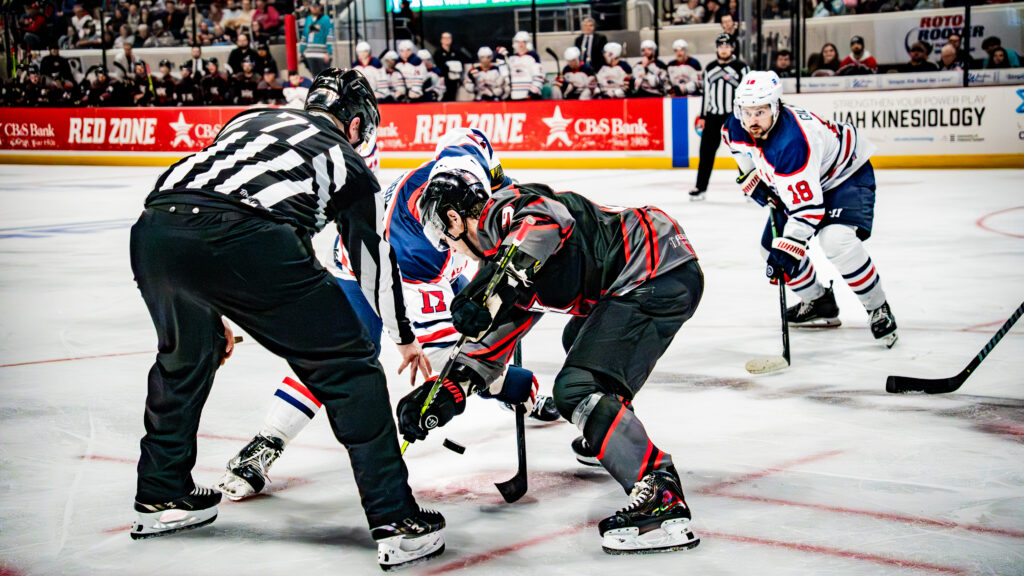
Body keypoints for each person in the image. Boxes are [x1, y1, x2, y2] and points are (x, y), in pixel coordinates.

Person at [127, 68, 444, 571]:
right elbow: (371, 262)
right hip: (245, 236)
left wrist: (209, 311)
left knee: (185, 358)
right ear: (357, 124)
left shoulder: (250, 119)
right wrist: (402, 337)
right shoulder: (349, 161)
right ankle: (396, 521)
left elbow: (206, 195)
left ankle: (161, 494)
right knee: (350, 367)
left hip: (156, 228)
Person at [216, 128, 559, 502]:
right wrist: (506, 377)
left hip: (440, 266)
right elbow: (447, 359)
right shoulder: (419, 253)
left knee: (485, 333)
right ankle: (267, 441)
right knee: (335, 358)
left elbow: (474, 157)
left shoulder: (466, 159)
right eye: (445, 237)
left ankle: (520, 390)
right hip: (369, 273)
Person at [399, 153, 704, 555]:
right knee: (577, 341)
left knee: (576, 388)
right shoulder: (502, 258)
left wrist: (487, 288)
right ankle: (613, 436)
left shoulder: (502, 212)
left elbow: (548, 220)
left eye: (447, 241)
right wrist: (447, 391)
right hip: (648, 271)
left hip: (653, 268)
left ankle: (658, 492)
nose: (455, 252)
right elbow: (491, 342)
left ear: (454, 220)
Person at [722, 71, 898, 347]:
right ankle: (819, 303)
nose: (752, 120)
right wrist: (751, 179)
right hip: (800, 181)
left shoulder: (792, 142)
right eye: (747, 112)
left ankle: (878, 307)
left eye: (760, 111)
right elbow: (740, 152)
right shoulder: (735, 126)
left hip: (843, 176)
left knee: (835, 240)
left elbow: (808, 210)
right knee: (770, 249)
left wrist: (789, 248)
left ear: (776, 106)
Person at [691, 33, 748, 201]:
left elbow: (745, 92)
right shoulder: (709, 68)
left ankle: (750, 189)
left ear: (732, 48)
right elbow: (706, 94)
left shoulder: (741, 67)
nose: (724, 50)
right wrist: (703, 115)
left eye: (727, 46)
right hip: (713, 117)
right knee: (706, 153)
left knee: (743, 153)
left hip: (735, 117)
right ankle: (700, 188)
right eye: (721, 46)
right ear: (717, 48)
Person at [503, 31, 543, 101]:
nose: (521, 45)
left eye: (523, 42)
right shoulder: (511, 58)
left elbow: (539, 77)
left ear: (527, 43)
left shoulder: (533, 56)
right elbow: (506, 76)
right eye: (518, 42)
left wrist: (532, 92)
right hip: (514, 96)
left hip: (529, 97)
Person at [300, 2, 334, 76]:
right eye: (312, 7)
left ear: (320, 7)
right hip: (310, 54)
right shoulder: (308, 19)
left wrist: (328, 52)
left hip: (322, 54)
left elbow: (330, 36)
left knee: (324, 76)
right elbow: (304, 36)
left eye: (316, 7)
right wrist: (301, 51)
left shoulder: (325, 19)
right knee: (315, 77)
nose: (314, 9)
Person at [434, 32, 465, 102]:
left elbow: (460, 64)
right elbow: (440, 65)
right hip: (443, 81)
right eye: (445, 38)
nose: (447, 40)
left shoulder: (455, 52)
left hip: (454, 79)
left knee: (453, 96)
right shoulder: (438, 53)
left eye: (449, 38)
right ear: (441, 40)